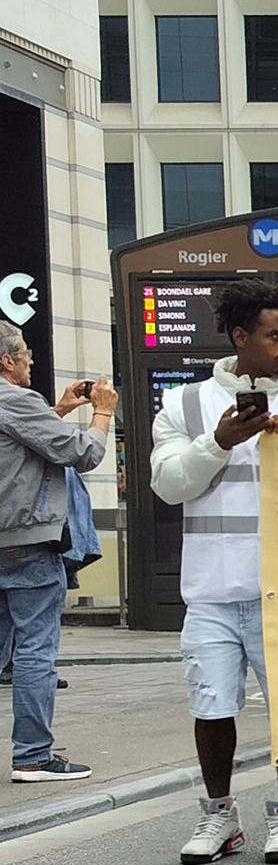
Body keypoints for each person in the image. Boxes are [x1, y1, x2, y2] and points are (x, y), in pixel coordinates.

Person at [149, 281, 278, 860]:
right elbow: (168, 485)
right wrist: (220, 441)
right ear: (240, 337)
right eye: (274, 335)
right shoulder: (184, 404)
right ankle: (218, 817)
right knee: (211, 706)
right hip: (211, 589)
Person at [0, 320, 113, 783]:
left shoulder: (21, 407)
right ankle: (32, 756)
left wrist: (60, 408)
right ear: (6, 361)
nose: (31, 360)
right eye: (25, 353)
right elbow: (83, 454)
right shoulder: (15, 399)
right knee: (34, 651)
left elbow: (18, 446)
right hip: (26, 544)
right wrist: (101, 413)